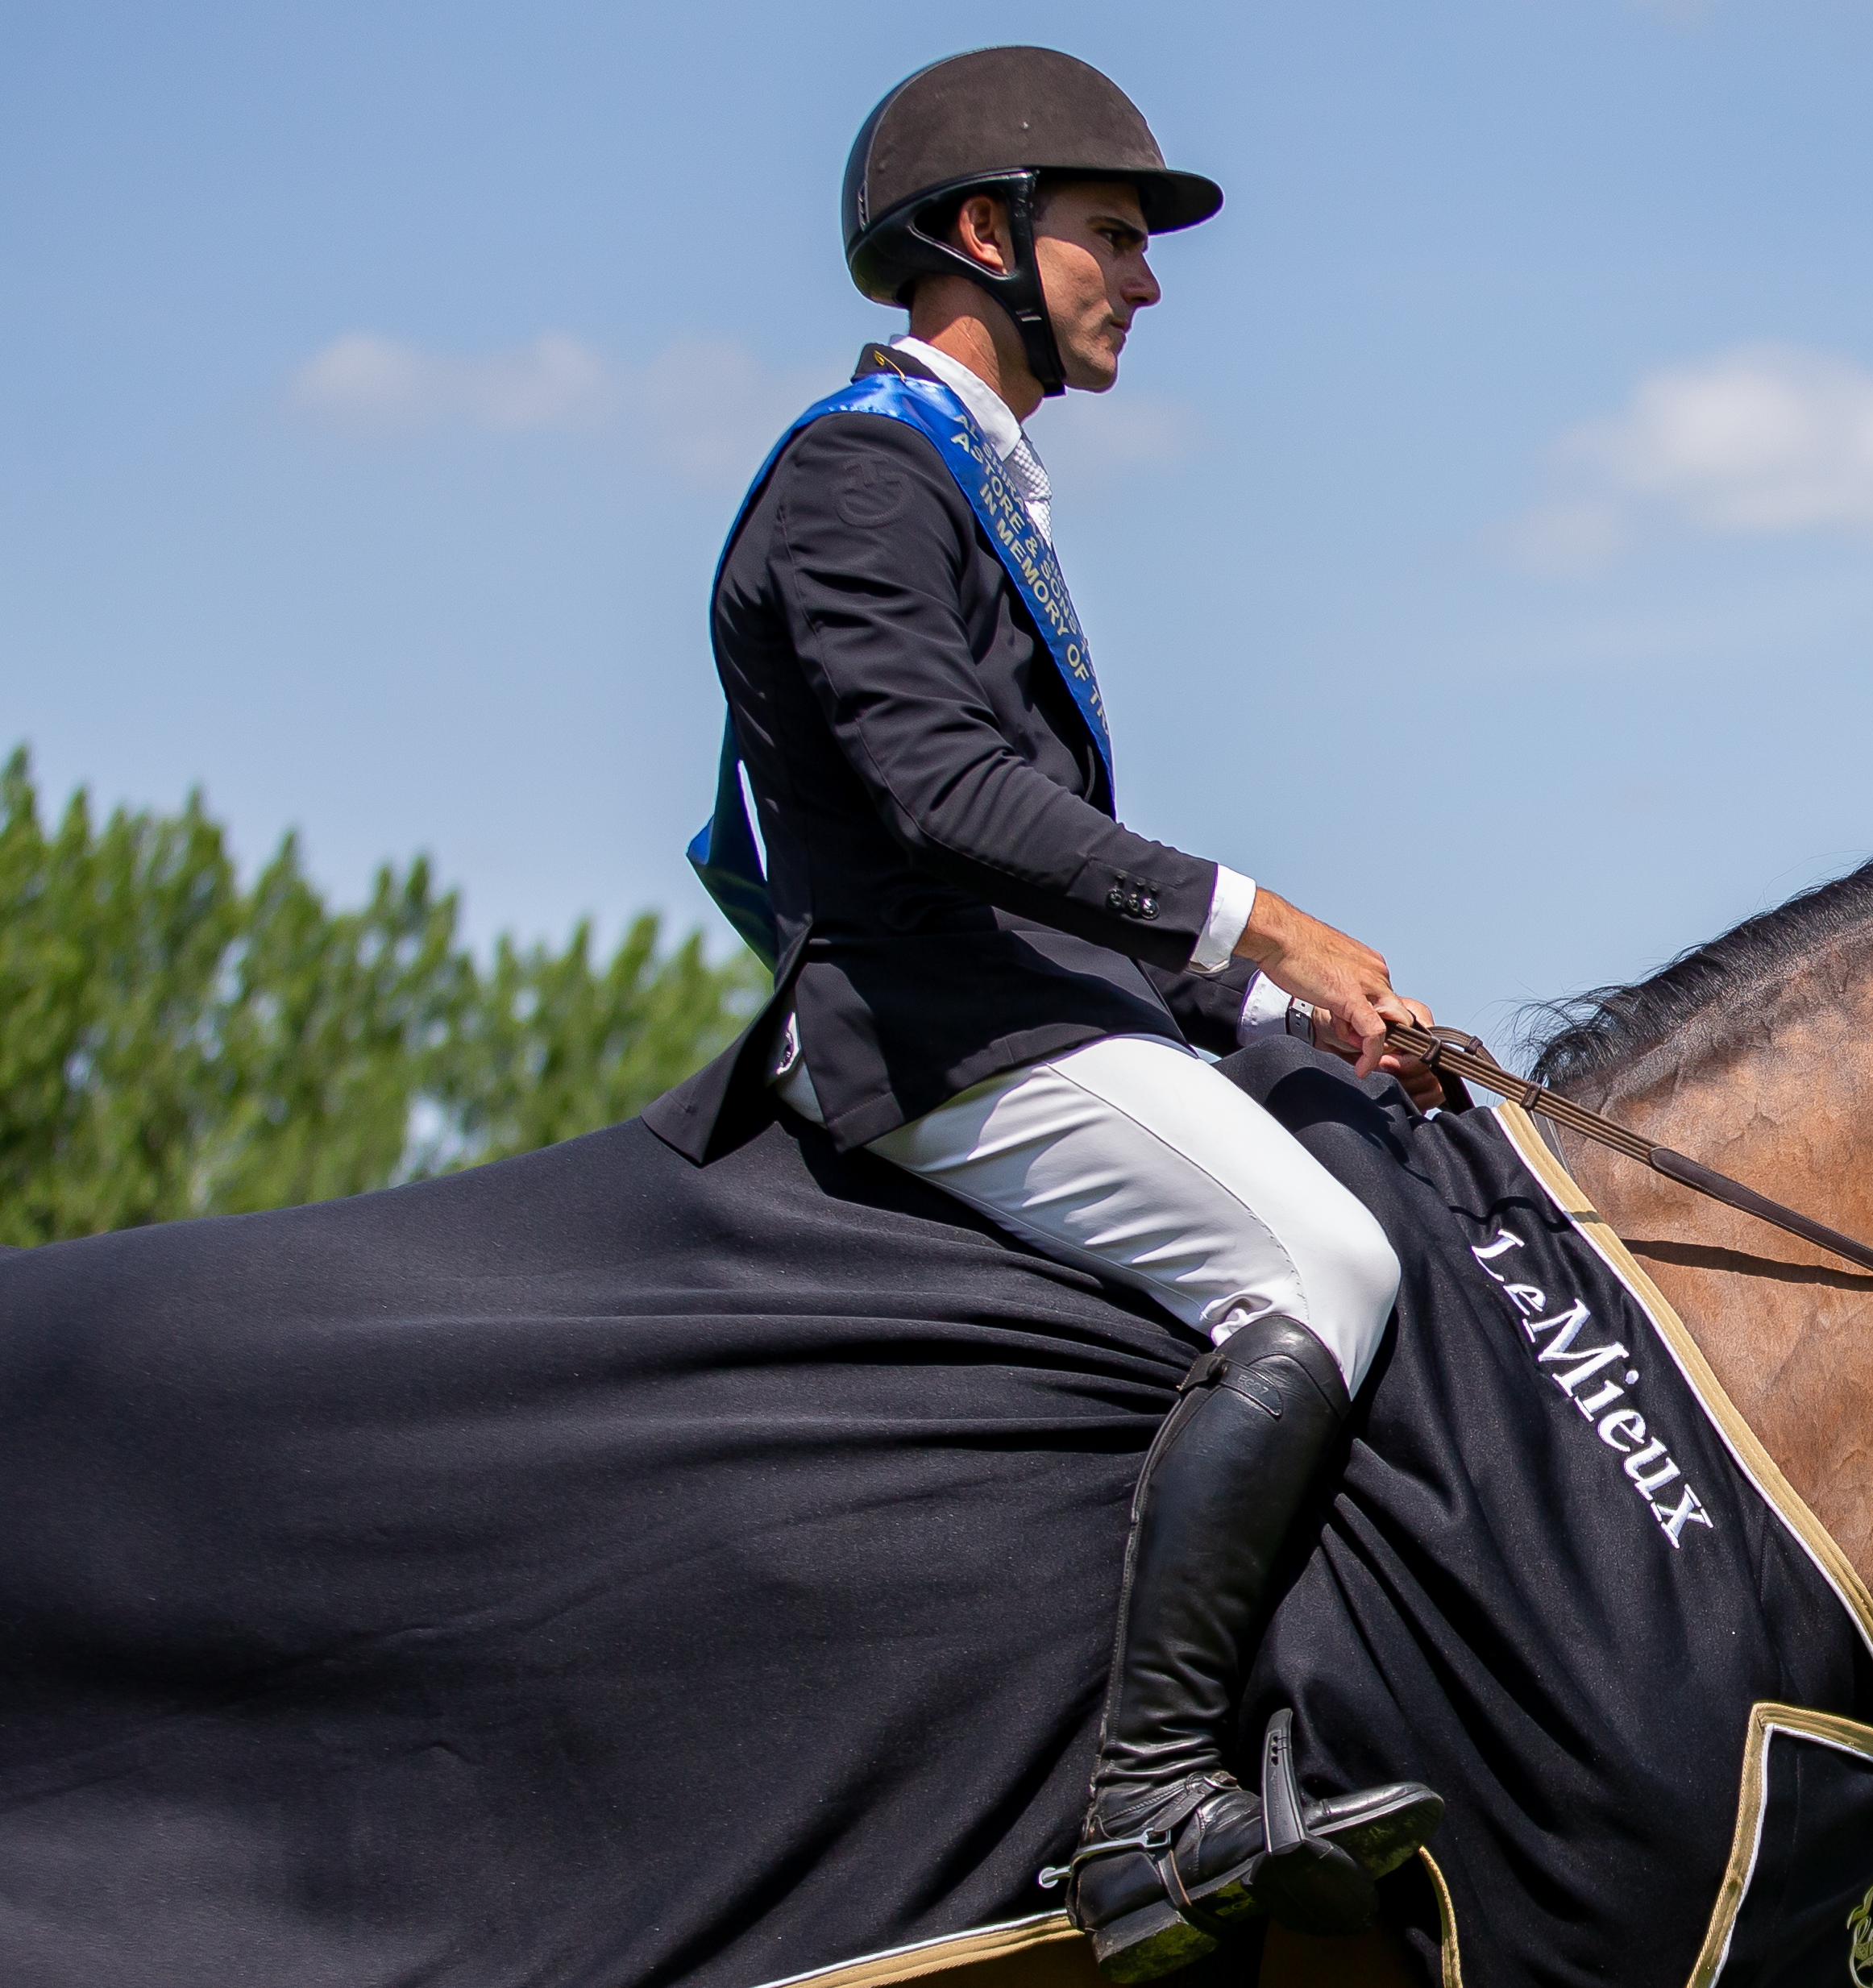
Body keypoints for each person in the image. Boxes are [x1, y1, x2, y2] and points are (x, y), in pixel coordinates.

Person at [642, 45, 1439, 1984]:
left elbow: (1036, 839)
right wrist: (1271, 925)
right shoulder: (856, 480)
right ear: (981, 236)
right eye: (1108, 238)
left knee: (1390, 1171)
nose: (1141, 283)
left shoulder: (968, 484)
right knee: (1322, 1267)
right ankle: (1147, 1794)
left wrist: (1269, 1001)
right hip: (945, 1045)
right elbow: (949, 800)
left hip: (1043, 1007)